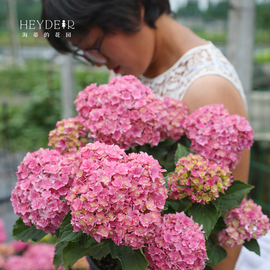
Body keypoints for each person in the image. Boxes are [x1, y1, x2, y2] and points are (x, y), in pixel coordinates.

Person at [41, 1, 259, 269]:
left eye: (93, 47)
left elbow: (223, 252)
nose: (98, 64)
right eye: (85, 54)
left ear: (133, 9)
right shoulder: (132, 67)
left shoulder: (208, 90)